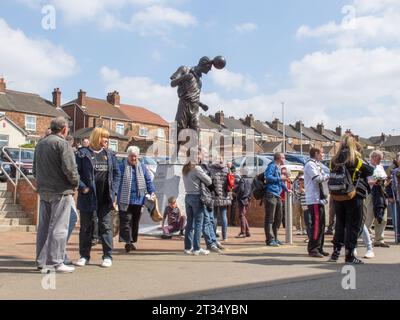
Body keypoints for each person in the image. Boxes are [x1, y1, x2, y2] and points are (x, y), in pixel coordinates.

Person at [34, 117, 79, 273]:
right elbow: (70, 169)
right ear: (64, 129)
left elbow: (35, 169)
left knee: (43, 227)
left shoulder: (40, 143)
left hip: (43, 190)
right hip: (60, 191)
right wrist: (75, 183)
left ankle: (41, 262)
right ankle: (56, 262)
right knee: (59, 227)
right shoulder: (62, 144)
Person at [74, 127, 121, 268]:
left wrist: (114, 192)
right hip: (87, 197)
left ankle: (107, 256)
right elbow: (75, 173)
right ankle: (84, 256)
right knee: (86, 228)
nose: (106, 140)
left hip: (105, 198)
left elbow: (117, 174)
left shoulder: (110, 154)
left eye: (107, 138)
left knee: (106, 227)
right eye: (103, 137)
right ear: (96, 137)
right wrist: (83, 187)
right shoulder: (83, 154)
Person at [328, 135, 374, 264]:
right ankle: (349, 255)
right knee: (353, 225)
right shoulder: (356, 159)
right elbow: (370, 170)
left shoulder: (334, 160)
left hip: (337, 195)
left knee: (340, 224)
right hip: (354, 195)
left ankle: (335, 253)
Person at [118, 146, 156, 252]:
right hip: (125, 199)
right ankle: (127, 242)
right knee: (126, 221)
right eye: (131, 156)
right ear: (128, 156)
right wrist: (114, 194)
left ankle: (132, 241)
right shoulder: (121, 167)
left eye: (135, 156)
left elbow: (148, 181)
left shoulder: (143, 167)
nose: (133, 158)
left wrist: (152, 191)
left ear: (138, 156)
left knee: (135, 222)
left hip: (138, 200)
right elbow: (116, 181)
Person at [182, 151, 213, 256]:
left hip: (188, 196)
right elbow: (209, 181)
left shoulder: (185, 168)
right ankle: (197, 248)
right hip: (196, 197)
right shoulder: (197, 168)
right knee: (199, 223)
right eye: (199, 155)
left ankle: (187, 248)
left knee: (189, 223)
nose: (201, 157)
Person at [304, 148, 330, 258]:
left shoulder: (317, 164)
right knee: (316, 225)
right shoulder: (310, 164)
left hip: (320, 198)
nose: (323, 155)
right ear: (316, 153)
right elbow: (317, 178)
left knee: (322, 225)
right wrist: (329, 176)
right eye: (321, 153)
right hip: (314, 198)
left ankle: (319, 247)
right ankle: (313, 248)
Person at [365, 151, 390, 247]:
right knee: (369, 218)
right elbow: (368, 181)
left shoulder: (380, 167)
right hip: (371, 194)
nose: (381, 160)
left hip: (381, 193)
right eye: (379, 158)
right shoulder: (367, 166)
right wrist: (376, 181)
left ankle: (379, 239)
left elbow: (384, 179)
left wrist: (386, 181)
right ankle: (368, 238)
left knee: (382, 218)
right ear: (374, 157)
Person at [264, 152, 289, 246]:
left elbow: (280, 181)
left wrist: (287, 190)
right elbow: (268, 177)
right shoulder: (271, 166)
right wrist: (280, 178)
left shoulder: (277, 167)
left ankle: (275, 238)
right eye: (283, 157)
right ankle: (270, 240)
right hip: (271, 194)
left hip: (277, 195)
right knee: (270, 218)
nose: (284, 159)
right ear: (279, 158)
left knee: (278, 217)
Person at [64, 135, 79, 265]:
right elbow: (71, 170)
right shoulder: (64, 150)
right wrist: (76, 183)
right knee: (71, 218)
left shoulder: (42, 145)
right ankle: (60, 253)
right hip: (63, 192)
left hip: (48, 191)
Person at [210, 160, 233, 242]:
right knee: (224, 216)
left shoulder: (211, 169)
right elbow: (231, 182)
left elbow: (209, 182)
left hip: (215, 195)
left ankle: (213, 236)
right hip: (225, 195)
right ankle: (225, 236)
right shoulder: (227, 169)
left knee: (214, 216)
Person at [386, 153, 400, 244]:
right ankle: (398, 236)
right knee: (397, 219)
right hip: (397, 198)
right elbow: (388, 184)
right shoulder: (394, 171)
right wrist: (390, 196)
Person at [235, 168, 252, 238]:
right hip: (247, 199)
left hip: (242, 199)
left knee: (241, 216)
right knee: (243, 215)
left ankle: (243, 232)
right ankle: (247, 231)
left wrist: (237, 194)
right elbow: (251, 190)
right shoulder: (249, 180)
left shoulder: (242, 180)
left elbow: (241, 189)